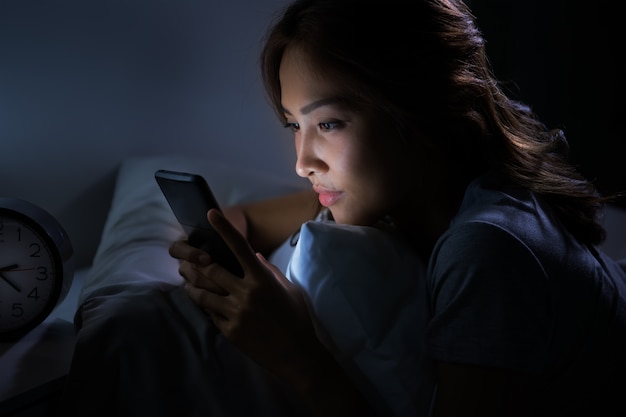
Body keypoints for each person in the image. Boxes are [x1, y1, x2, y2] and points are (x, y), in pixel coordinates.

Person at [59, 0, 626, 416]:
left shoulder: (488, 249)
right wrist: (215, 253)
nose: (304, 161)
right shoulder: (418, 195)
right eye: (294, 126)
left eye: (329, 123)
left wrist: (295, 353)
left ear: (422, 111)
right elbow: (244, 220)